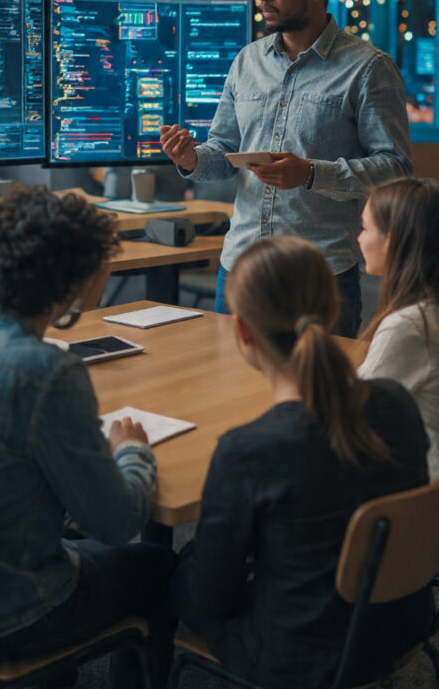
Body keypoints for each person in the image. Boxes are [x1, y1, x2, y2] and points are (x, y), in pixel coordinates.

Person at [0, 186, 175, 688]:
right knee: (160, 565)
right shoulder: (47, 372)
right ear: (74, 281)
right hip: (6, 616)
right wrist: (131, 453)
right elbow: (116, 522)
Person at [170, 235, 434, 689]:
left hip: (298, 659)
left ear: (243, 331)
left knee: (170, 569)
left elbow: (212, 597)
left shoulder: (248, 449)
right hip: (402, 627)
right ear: (333, 312)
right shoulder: (396, 403)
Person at [160, 0, 412, 336]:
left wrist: (312, 173)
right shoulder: (247, 61)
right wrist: (191, 159)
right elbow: (224, 151)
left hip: (319, 276)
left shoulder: (368, 68)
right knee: (223, 391)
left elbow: (396, 170)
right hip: (241, 268)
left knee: (319, 396)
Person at [357, 177, 439, 478]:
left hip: (416, 498)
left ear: (390, 240)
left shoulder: (408, 326)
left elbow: (350, 414)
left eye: (364, 228)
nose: (358, 239)